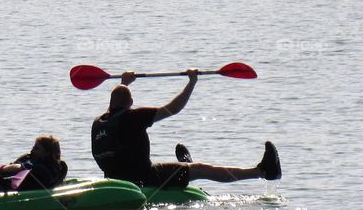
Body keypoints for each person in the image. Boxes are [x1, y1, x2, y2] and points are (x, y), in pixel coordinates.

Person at [91, 69, 282, 189]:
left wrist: (124, 83)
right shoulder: (134, 117)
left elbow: (119, 105)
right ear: (131, 102)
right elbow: (173, 109)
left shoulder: (98, 123)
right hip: (146, 178)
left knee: (179, 166)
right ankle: (263, 172)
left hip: (115, 179)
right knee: (200, 169)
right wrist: (191, 82)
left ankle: (184, 167)